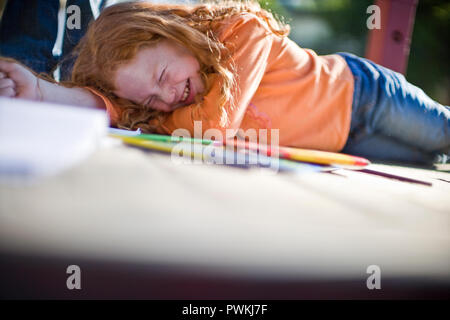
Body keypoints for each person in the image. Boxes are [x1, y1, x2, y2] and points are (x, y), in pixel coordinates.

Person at [0, 1, 449, 165]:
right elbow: (109, 108)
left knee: (444, 135)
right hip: (343, 143)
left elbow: (214, 129)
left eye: (162, 76)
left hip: (367, 96)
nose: (166, 96)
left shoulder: (241, 27)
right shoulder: (167, 102)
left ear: (170, 32)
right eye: (151, 98)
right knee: (432, 161)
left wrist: (161, 122)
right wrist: (39, 91)